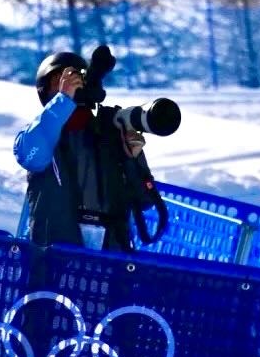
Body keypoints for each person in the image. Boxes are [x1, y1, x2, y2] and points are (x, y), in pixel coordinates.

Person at [13, 48, 157, 251]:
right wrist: (63, 101)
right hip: (54, 258)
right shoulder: (41, 135)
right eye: (60, 80)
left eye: (76, 79)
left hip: (109, 261)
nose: (70, 85)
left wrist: (133, 160)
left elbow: (145, 201)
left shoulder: (110, 134)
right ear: (44, 91)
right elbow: (31, 156)